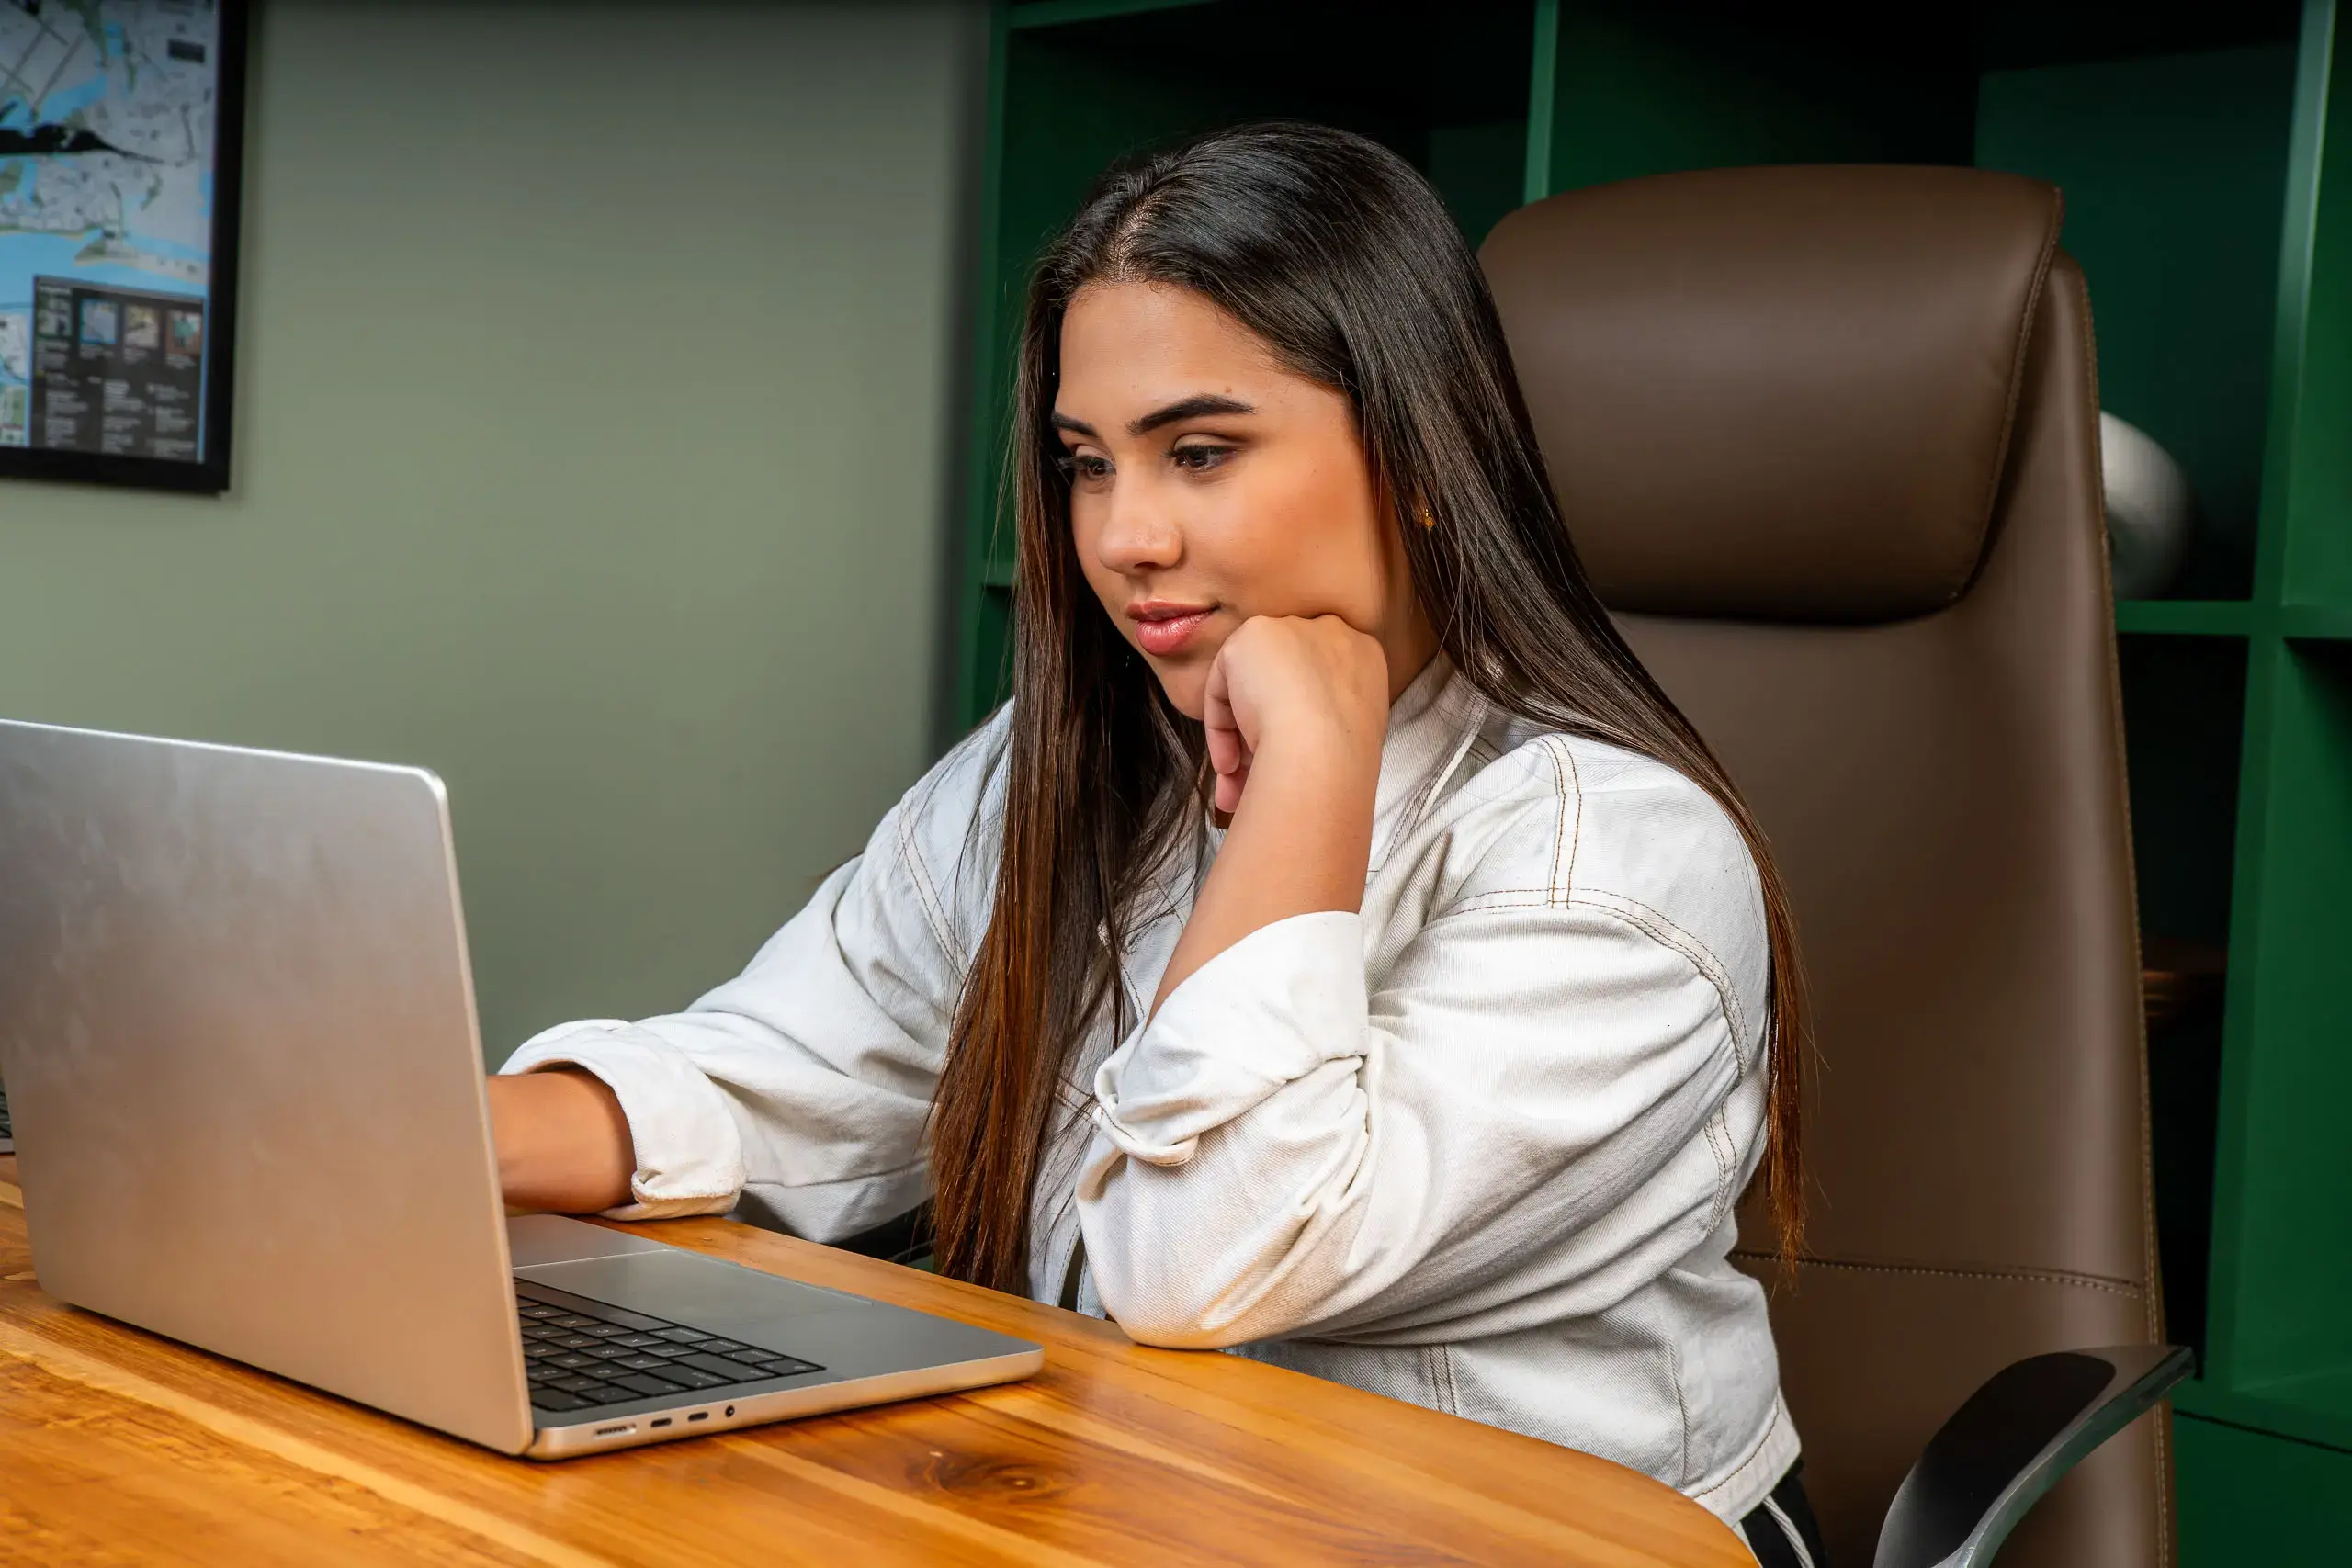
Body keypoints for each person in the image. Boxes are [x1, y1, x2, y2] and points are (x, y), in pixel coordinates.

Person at [488, 121, 1826, 1562]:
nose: (1124, 536)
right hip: (1157, 1513)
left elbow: (1205, 1258)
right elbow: (791, 1071)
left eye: (1199, 452)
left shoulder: (1617, 863)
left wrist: (1311, 767)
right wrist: (406, 1148)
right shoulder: (1072, 764)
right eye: (1087, 464)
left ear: (1424, 453)